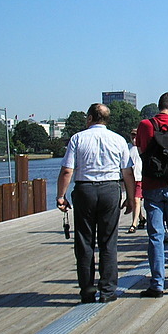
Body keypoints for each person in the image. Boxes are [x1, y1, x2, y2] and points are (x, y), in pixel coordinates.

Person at [56, 103, 135, 303]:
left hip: (85, 190)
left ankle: (88, 291)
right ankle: (108, 291)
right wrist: (131, 198)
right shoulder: (119, 140)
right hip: (110, 189)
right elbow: (127, 172)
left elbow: (67, 170)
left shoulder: (77, 139)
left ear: (90, 118)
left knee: (84, 242)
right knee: (108, 242)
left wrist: (61, 195)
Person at [135, 92, 168, 297]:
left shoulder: (145, 125)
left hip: (151, 185)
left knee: (155, 236)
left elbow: (140, 149)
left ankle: (157, 285)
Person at [127, 128, 146, 233]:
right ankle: (141, 218)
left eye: (136, 136)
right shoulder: (127, 147)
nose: (134, 138)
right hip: (130, 178)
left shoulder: (142, 147)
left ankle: (134, 223)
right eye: (132, 136)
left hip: (140, 177)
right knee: (133, 200)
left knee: (136, 199)